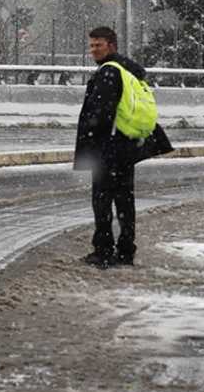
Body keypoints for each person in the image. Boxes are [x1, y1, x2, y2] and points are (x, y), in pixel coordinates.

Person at [74, 26, 172, 268]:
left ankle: (103, 250)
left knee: (102, 200)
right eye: (92, 45)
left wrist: (93, 146)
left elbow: (100, 114)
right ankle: (126, 250)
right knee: (125, 200)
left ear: (111, 45)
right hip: (127, 145)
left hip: (109, 147)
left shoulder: (109, 73)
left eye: (98, 45)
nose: (93, 50)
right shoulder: (128, 70)